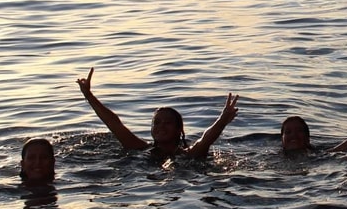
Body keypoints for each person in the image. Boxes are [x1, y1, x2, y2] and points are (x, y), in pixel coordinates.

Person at [76, 67, 238, 159]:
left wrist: (222, 120)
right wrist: (89, 96)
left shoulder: (190, 154)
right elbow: (114, 124)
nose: (161, 127)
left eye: (167, 123)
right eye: (157, 122)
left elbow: (206, 138)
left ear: (179, 130)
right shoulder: (140, 149)